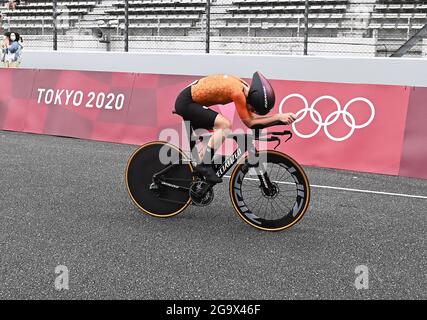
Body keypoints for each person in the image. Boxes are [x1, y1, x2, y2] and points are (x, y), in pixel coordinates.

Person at [174, 72, 296, 183]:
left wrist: (278, 120)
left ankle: (197, 177)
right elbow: (250, 123)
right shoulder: (238, 93)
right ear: (251, 100)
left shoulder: (245, 89)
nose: (251, 111)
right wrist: (277, 117)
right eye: (252, 109)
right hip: (186, 103)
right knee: (225, 125)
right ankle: (204, 166)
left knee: (209, 144)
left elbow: (254, 121)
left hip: (193, 102)